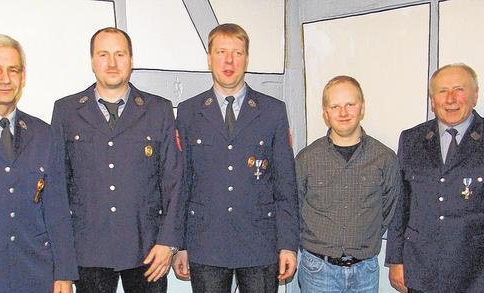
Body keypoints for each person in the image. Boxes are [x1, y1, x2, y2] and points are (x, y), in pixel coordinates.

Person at [51, 27, 182, 293]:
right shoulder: (66, 112)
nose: (112, 63)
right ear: (92, 61)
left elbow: (174, 181)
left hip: (148, 249)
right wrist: (62, 262)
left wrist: (168, 243)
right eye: (103, 54)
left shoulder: (159, 110)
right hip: (88, 251)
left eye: (120, 54)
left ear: (132, 61)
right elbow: (57, 191)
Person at [173, 23, 299, 293]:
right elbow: (181, 185)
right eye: (221, 52)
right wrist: (180, 244)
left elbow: (285, 186)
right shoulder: (188, 112)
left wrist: (287, 244)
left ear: (247, 58)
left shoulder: (273, 111)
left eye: (237, 53)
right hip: (206, 244)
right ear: (209, 58)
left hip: (259, 244)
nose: (229, 60)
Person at [0, 34, 77, 292]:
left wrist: (64, 272)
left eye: (13, 70)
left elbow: (57, 209)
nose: (5, 79)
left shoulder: (44, 134)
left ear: (23, 76)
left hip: (34, 274)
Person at [295, 75, 400, 292]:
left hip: (365, 271)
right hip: (318, 270)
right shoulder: (307, 158)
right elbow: (294, 207)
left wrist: (363, 237)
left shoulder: (384, 158)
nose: (343, 113)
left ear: (362, 108)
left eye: (350, 104)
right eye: (335, 106)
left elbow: (389, 208)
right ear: (326, 113)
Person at [386, 63, 484, 293]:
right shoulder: (412, 139)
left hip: (475, 273)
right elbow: (400, 205)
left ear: (475, 95)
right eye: (442, 91)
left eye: (459, 89)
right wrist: (395, 260)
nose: (450, 99)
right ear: (432, 100)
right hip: (421, 270)